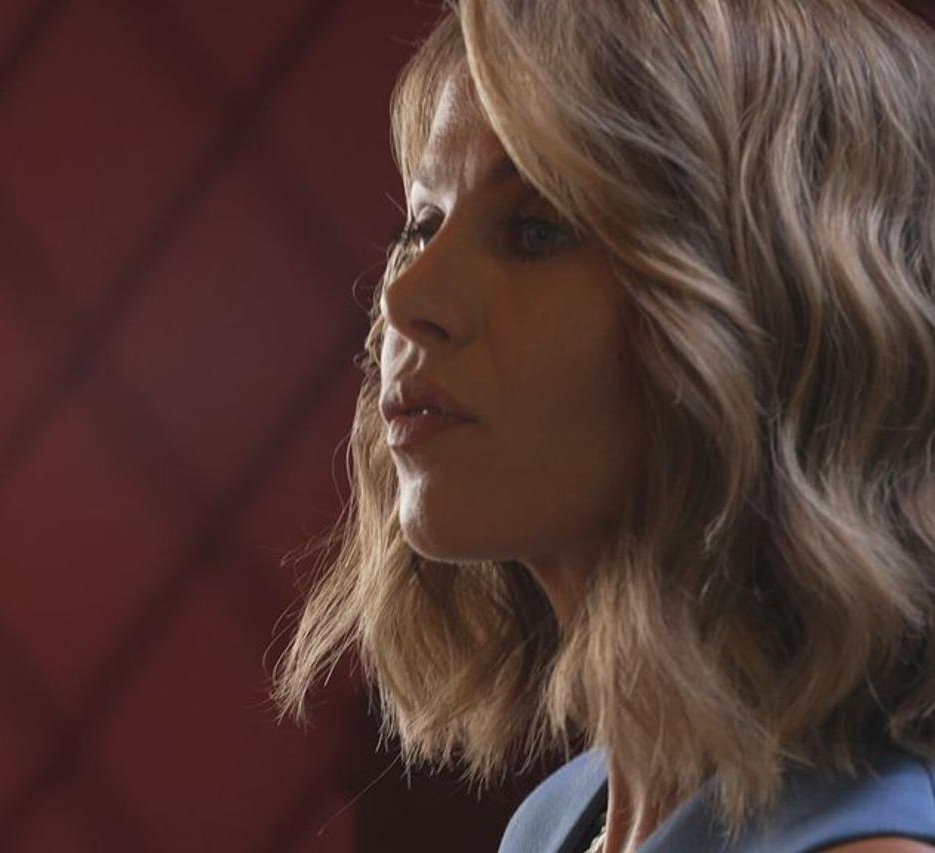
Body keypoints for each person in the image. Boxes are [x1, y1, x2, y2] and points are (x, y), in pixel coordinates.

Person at [271, 1, 935, 850]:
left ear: (779, 309)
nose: (404, 295)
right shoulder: (551, 822)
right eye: (422, 226)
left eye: (536, 229)